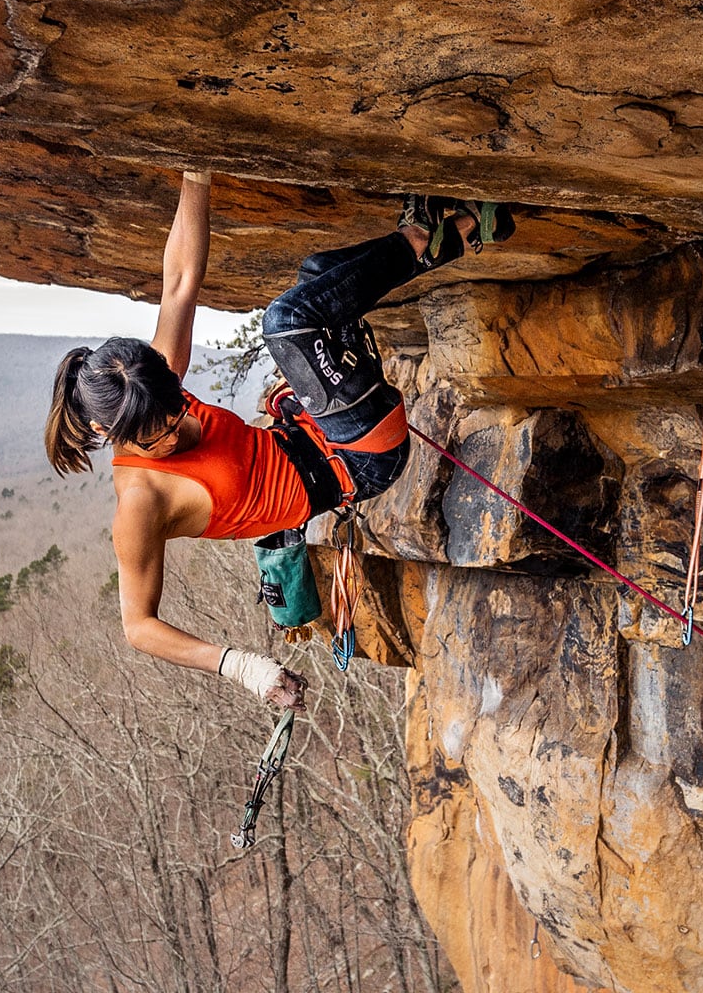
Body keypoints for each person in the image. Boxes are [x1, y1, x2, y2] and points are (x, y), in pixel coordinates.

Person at [45, 171, 511, 709]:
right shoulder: (141, 505)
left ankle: (464, 228)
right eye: (161, 436)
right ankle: (424, 236)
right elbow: (139, 626)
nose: (178, 430)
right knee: (289, 320)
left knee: (317, 279)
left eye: (177, 411)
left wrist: (196, 174)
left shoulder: (151, 389)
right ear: (110, 433)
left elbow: (179, 281)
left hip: (316, 426)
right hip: (360, 458)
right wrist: (241, 666)